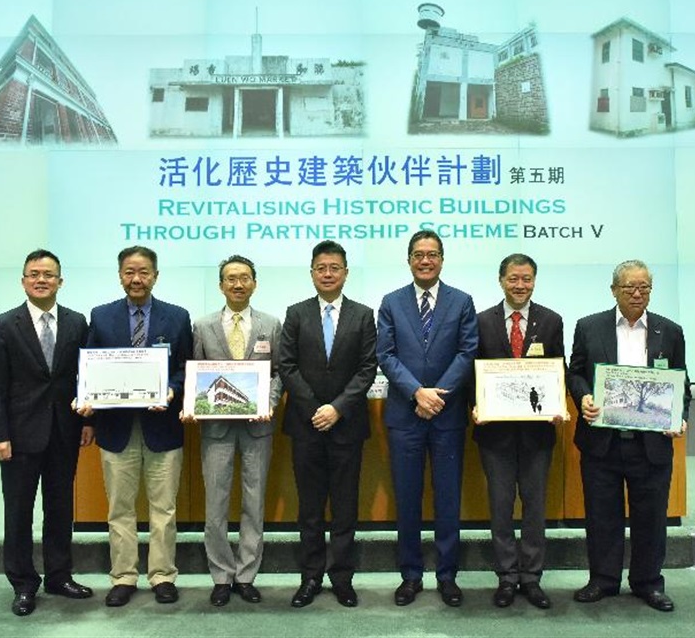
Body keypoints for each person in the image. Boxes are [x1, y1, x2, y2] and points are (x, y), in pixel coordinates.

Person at [568, 259, 690, 612]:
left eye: (645, 288)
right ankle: (603, 580)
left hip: (651, 444)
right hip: (602, 442)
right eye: (629, 288)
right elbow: (575, 373)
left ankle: (648, 583)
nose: (637, 294)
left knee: (651, 517)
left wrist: (679, 416)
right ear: (614, 290)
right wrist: (584, 396)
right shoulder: (590, 327)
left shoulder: (669, 331)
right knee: (601, 514)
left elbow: (682, 383)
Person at [77, 246, 192, 607]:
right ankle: (124, 576)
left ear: (155, 276)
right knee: (120, 508)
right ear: (119, 275)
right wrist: (89, 407)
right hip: (116, 428)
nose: (136, 279)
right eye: (129, 272)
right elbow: (90, 370)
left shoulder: (176, 317)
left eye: (143, 272)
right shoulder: (101, 316)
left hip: (163, 426)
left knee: (164, 508)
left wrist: (172, 389)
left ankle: (162, 575)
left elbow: (185, 367)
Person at [0, 249, 92, 616]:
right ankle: (23, 583)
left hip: (65, 430)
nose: (41, 279)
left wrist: (89, 421)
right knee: (18, 511)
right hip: (19, 434)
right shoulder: (3, 324)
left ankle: (59, 576)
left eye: (49, 274)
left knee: (60, 508)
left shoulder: (77, 323)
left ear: (61, 281)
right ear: (24, 281)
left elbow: (86, 378)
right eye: (34, 274)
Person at [376, 230, 479, 607]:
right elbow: (385, 355)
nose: (425, 260)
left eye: (432, 254)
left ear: (441, 259)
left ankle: (447, 576)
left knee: (448, 498)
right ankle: (410, 575)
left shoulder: (461, 301)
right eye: (418, 254)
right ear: (409, 260)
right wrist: (417, 392)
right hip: (406, 415)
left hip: (447, 416)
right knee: (407, 498)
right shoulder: (391, 302)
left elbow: (467, 352)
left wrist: (437, 396)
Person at [279, 240, 377, 609]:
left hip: (347, 425)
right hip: (306, 426)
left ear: (346, 272)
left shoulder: (363, 315)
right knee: (309, 506)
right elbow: (286, 366)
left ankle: (342, 577)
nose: (328, 273)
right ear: (312, 272)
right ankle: (310, 576)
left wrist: (336, 408)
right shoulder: (296, 313)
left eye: (335, 267)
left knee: (345, 505)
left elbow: (367, 368)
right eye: (321, 267)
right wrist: (314, 408)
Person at [187, 255, 282, 607]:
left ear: (254, 283)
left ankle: (246, 575)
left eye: (244, 278)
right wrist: (194, 404)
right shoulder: (204, 325)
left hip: (259, 428)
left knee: (254, 504)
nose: (238, 284)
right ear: (221, 285)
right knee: (216, 504)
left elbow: (278, 372)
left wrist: (268, 403)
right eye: (231, 278)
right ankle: (221, 576)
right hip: (217, 429)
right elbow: (196, 371)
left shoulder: (271, 325)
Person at [472, 254, 564, 610]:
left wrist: (558, 405)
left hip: (537, 434)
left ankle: (532, 578)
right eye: (513, 279)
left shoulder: (551, 321)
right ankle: (507, 577)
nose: (520, 285)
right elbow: (471, 373)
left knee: (535, 507)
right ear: (501, 281)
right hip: (495, 434)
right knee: (500, 506)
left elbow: (559, 368)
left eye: (526, 279)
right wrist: (475, 407)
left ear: (534, 281)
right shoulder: (482, 322)